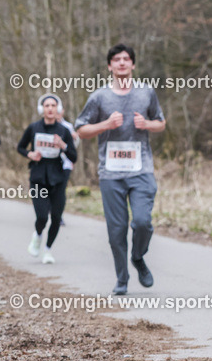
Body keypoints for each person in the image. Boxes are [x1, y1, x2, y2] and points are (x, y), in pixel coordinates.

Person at [74, 44, 166, 295]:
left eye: (127, 59)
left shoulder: (146, 93)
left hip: (141, 169)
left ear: (133, 65)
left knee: (142, 222)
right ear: (109, 66)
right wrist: (105, 124)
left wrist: (146, 123)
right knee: (116, 231)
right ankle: (122, 279)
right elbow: (80, 129)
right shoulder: (99, 97)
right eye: (117, 59)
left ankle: (138, 256)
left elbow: (161, 123)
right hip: (111, 174)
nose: (122, 63)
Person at [17, 94, 77, 264]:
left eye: (53, 105)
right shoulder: (33, 128)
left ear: (58, 109)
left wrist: (63, 146)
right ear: (41, 109)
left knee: (57, 217)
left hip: (58, 178)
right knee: (42, 216)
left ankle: (48, 250)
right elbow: (20, 147)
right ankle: (37, 235)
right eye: (47, 105)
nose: (50, 108)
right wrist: (30, 154)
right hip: (38, 177)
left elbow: (74, 157)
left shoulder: (63, 131)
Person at [57, 110, 80, 226]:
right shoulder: (44, 126)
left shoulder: (68, 127)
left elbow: (74, 146)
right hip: (50, 163)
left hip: (65, 163)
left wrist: (74, 138)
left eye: (59, 111)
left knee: (61, 190)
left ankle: (59, 215)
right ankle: (49, 210)